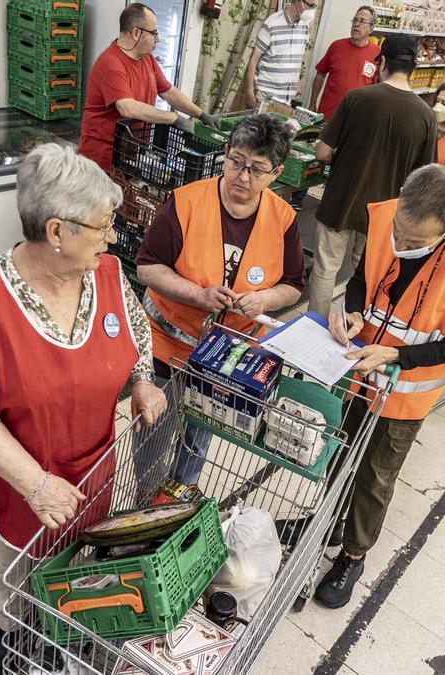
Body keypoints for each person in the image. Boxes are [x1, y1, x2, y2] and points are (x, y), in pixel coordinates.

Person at [0, 144, 167, 673]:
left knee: (79, 544)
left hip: (89, 452)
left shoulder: (107, 273)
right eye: (104, 225)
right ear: (58, 232)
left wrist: (142, 381)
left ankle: (70, 611)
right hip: (11, 473)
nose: (112, 237)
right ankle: (14, 633)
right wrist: (35, 484)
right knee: (15, 565)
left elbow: (135, 332)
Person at [313, 164, 445, 609]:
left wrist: (396, 356)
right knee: (339, 449)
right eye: (398, 233)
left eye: (415, 243)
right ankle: (329, 521)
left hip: (407, 391)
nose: (400, 245)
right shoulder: (387, 216)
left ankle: (353, 554)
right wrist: (355, 313)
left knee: (376, 475)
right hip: (359, 370)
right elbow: (364, 280)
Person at [135, 114, 305, 484]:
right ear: (225, 154)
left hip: (226, 358)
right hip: (167, 344)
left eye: (257, 169)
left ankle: (180, 499)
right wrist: (198, 294)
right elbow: (147, 268)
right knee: (152, 437)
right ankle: (144, 502)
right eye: (236, 162)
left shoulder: (284, 219)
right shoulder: (185, 204)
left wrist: (264, 298)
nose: (243, 177)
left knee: (197, 441)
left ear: (276, 173)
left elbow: (293, 284)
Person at [306, 34, 437, 318]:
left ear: (383, 63)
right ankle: (353, 324)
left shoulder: (356, 98)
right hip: (384, 212)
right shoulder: (426, 116)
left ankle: (313, 327)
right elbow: (423, 179)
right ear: (413, 67)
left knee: (326, 268)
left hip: (341, 199)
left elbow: (322, 152)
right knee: (365, 273)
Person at [78, 3, 217, 173]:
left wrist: (201, 114)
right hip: (100, 162)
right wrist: (173, 118)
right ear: (136, 33)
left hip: (128, 156)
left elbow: (168, 91)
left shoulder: (147, 59)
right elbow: (127, 108)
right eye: (154, 33)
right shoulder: (111, 63)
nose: (157, 39)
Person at [243, 0, 319, 108]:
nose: (312, 10)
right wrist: (249, 91)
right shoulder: (272, 24)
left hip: (287, 100)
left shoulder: (305, 26)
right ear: (297, 1)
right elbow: (253, 61)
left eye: (314, 7)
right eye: (310, 5)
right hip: (265, 97)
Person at [311, 6, 380, 119]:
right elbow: (320, 74)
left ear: (371, 28)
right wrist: (312, 103)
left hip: (355, 119)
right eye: (355, 20)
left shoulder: (377, 53)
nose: (356, 24)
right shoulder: (336, 46)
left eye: (362, 21)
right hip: (328, 115)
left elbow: (377, 89)